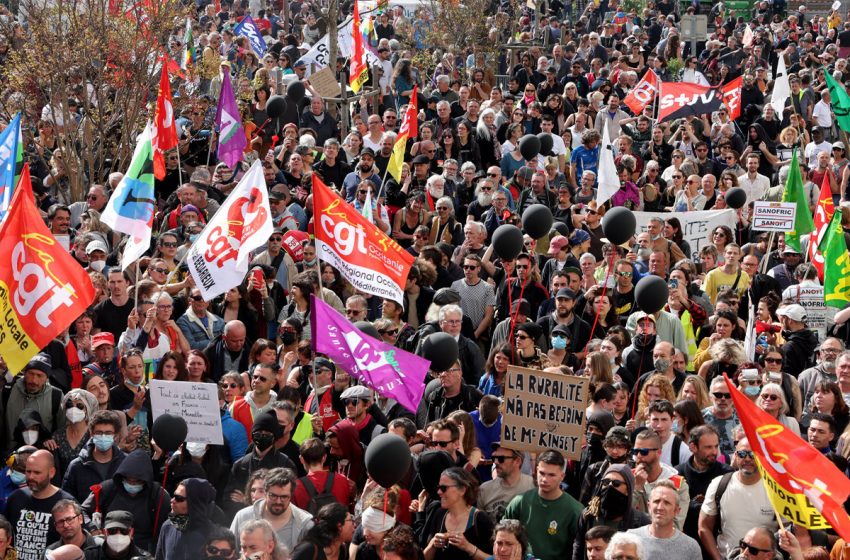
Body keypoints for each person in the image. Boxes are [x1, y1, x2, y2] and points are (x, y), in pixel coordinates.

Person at [698, 438, 778, 560]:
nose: (747, 458)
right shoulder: (719, 484)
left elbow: (787, 531)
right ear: (735, 456)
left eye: (752, 454)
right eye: (742, 454)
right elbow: (704, 527)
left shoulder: (776, 490)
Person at [503, 450, 583, 560]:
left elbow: (580, 550)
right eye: (542, 473)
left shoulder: (575, 511)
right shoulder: (520, 502)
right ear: (536, 471)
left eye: (551, 475)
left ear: (562, 476)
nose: (545, 479)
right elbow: (502, 536)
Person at [7, 450, 76, 560]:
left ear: (52, 473)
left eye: (37, 472)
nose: (31, 477)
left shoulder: (66, 503)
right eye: (28, 471)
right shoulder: (15, 498)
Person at [415, 466, 494, 560]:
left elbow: (495, 558)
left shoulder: (480, 519)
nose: (439, 492)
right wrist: (433, 544)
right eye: (438, 488)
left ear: (462, 490)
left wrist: (468, 547)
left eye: (444, 488)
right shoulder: (439, 513)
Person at [231, 467, 313, 551]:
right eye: (273, 496)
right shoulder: (243, 517)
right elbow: (230, 552)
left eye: (284, 497)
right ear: (265, 492)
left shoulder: (304, 525)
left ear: (291, 495)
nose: (278, 501)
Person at [629, 429, 689, 530]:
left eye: (644, 452)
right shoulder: (628, 477)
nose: (638, 456)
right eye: (635, 451)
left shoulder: (678, 484)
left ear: (659, 452)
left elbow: (675, 526)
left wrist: (640, 520)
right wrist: (637, 488)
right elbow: (622, 517)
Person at [61, 410, 126, 503]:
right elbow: (67, 500)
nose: (103, 436)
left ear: (115, 436)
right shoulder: (77, 466)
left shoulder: (125, 463)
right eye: (99, 433)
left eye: (108, 433)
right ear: (91, 434)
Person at [626, 482, 700, 560]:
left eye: (667, 503)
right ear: (649, 506)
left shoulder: (690, 547)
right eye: (656, 501)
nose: (660, 507)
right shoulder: (630, 538)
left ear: (676, 511)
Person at [155, 478, 220, 560]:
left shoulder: (214, 535)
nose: (172, 501)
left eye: (179, 498)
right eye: (174, 496)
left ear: (195, 503)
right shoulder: (167, 527)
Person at [476, 443, 534, 520]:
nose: (496, 462)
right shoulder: (484, 490)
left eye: (501, 458)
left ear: (517, 461)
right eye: (494, 458)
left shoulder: (533, 486)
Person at [289, 503, 355, 560]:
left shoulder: (342, 550)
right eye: (350, 520)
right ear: (339, 526)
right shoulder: (308, 550)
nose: (354, 524)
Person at [85, 510, 152, 560]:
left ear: (131, 532)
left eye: (124, 531)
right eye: (112, 530)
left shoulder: (144, 558)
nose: (118, 534)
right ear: (105, 532)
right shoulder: (90, 556)